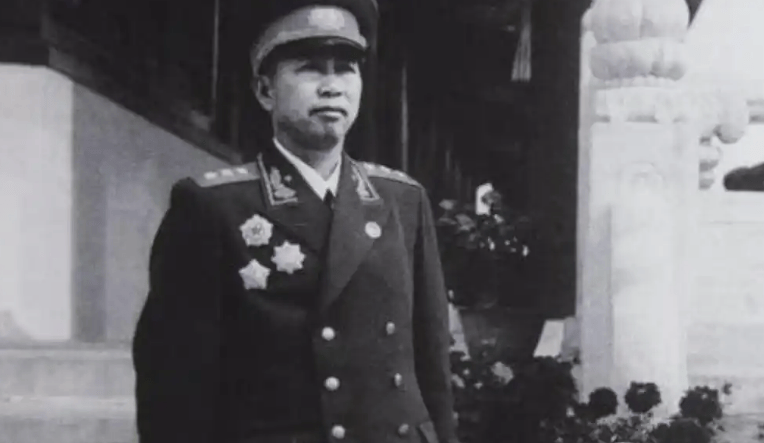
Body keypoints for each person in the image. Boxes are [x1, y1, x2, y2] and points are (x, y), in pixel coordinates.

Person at [132, 1, 458, 443]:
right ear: (265, 90)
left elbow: (432, 365)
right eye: (309, 69)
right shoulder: (212, 207)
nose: (332, 87)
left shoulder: (402, 200)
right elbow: (174, 386)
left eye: (346, 69)